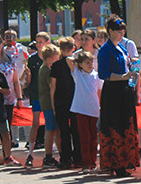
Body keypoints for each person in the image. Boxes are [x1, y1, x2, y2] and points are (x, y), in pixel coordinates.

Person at [96, 15, 139, 177]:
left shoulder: (121, 48)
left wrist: (132, 74)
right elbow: (103, 74)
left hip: (123, 90)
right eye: (118, 31)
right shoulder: (106, 49)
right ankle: (115, 162)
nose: (121, 34)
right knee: (115, 125)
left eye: (123, 31)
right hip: (113, 92)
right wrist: (124, 76)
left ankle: (126, 161)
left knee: (125, 124)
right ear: (110, 31)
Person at [71, 50, 102, 171]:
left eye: (91, 62)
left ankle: (93, 162)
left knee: (94, 137)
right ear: (80, 64)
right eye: (86, 62)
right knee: (84, 137)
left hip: (93, 109)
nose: (90, 64)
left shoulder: (97, 75)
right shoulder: (78, 74)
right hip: (81, 109)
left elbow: (99, 92)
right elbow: (69, 60)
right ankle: (86, 163)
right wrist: (77, 60)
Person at [50, 37, 77, 167]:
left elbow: (53, 86)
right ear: (73, 48)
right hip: (75, 99)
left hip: (60, 99)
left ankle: (66, 157)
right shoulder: (76, 63)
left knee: (64, 130)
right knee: (75, 129)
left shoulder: (56, 65)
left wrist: (53, 103)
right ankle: (78, 156)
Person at [25, 32, 51, 161]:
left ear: (47, 42)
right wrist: (27, 76)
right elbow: (29, 80)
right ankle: (30, 152)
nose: (39, 44)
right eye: (37, 42)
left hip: (48, 94)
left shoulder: (51, 57)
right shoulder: (33, 59)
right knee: (35, 123)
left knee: (49, 124)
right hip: (36, 94)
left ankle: (49, 153)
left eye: (41, 42)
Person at [37, 43, 61, 167]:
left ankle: (54, 153)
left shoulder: (43, 69)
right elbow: (52, 86)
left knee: (54, 129)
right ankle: (48, 155)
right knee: (51, 129)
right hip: (49, 104)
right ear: (50, 58)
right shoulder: (47, 71)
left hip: (46, 103)